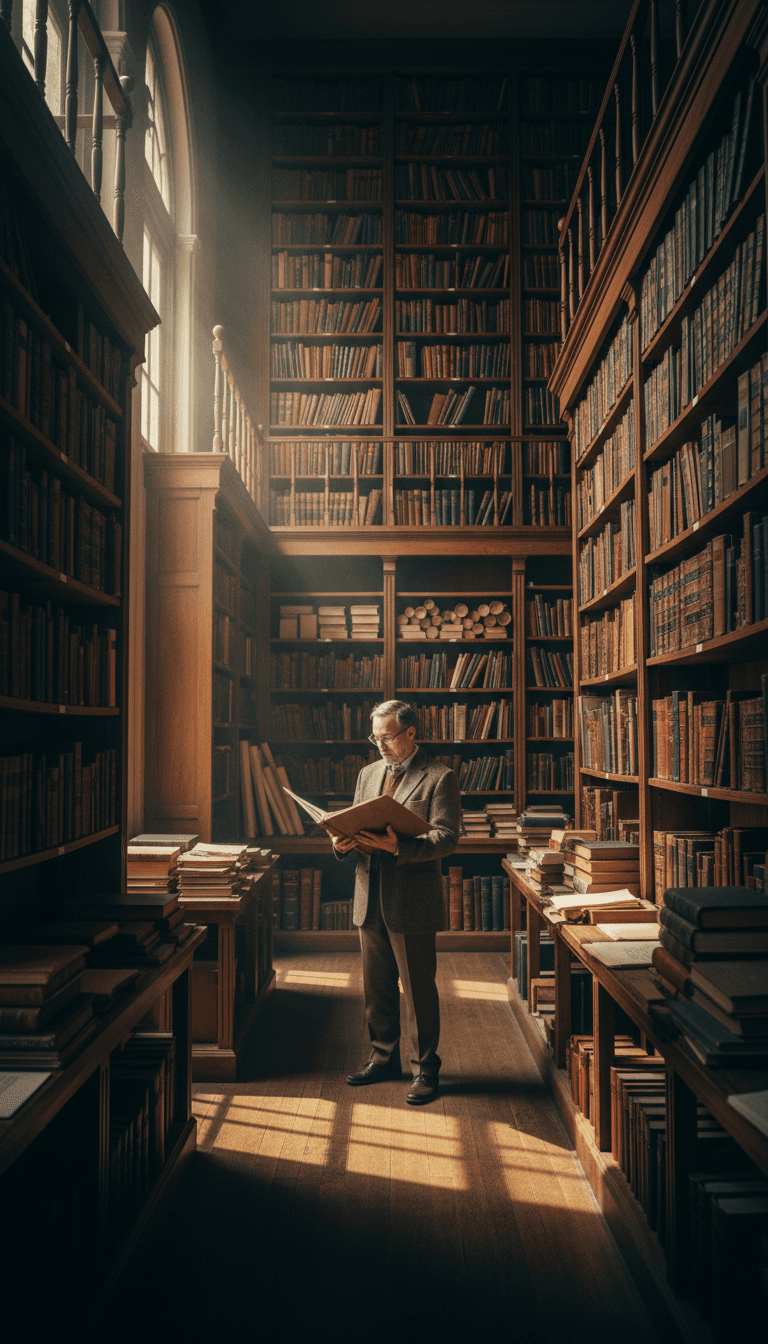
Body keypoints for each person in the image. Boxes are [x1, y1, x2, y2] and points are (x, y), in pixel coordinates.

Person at [331, 700, 461, 1104]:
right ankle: (383, 1057)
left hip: (412, 898)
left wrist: (399, 846)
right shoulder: (367, 774)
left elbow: (447, 837)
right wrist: (341, 843)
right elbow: (355, 825)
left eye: (388, 737)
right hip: (369, 895)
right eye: (376, 737)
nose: (381, 745)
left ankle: (425, 1069)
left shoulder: (439, 778)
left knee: (418, 988)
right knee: (377, 987)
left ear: (411, 734)